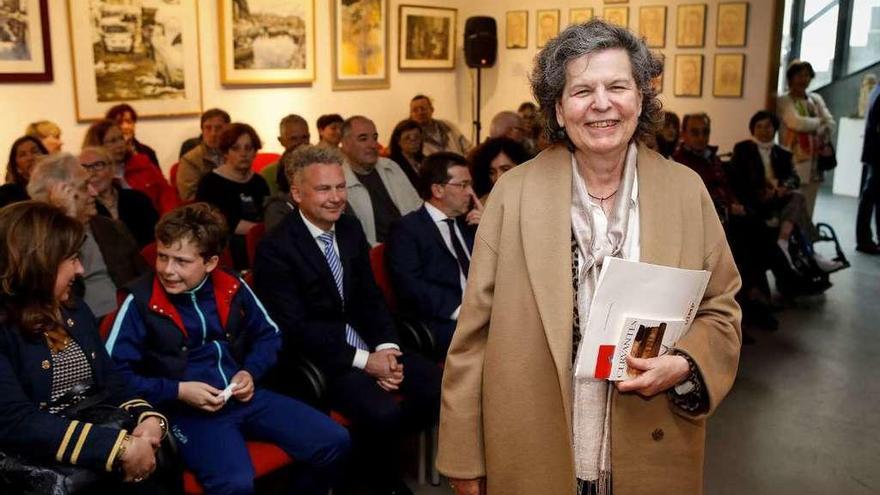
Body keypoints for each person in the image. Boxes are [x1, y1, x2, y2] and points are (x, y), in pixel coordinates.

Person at [437, 20, 741, 495]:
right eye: (582, 90)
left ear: (640, 100)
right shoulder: (513, 195)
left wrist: (684, 362)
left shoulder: (685, 191)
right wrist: (462, 455)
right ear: (558, 110)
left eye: (617, 86)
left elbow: (722, 308)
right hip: (532, 440)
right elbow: (473, 335)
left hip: (652, 440)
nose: (601, 103)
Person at [105, 203, 350, 495]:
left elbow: (269, 335)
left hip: (243, 396)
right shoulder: (139, 302)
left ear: (210, 263)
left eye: (181, 261)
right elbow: (113, 376)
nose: (167, 270)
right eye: (162, 257)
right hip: (183, 412)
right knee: (233, 483)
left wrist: (250, 371)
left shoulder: (231, 285)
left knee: (334, 440)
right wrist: (178, 391)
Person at [253, 145, 442, 495]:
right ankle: (379, 482)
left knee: (435, 384)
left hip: (366, 343)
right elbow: (295, 329)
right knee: (382, 412)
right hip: (320, 359)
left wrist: (387, 350)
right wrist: (366, 362)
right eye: (324, 189)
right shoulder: (275, 249)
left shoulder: (350, 229)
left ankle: (370, 463)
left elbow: (370, 299)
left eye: (340, 187)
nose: (337, 197)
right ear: (297, 194)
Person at [0, 201, 170, 493]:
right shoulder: (5, 327)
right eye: (71, 259)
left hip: (92, 447)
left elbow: (111, 381)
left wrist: (149, 418)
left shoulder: (71, 308)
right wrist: (117, 447)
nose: (80, 269)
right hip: (41, 467)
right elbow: (16, 421)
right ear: (39, 264)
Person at [27, 153, 148, 319]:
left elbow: (144, 279)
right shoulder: (36, 242)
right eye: (84, 186)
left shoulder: (111, 228)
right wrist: (65, 216)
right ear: (58, 195)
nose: (94, 192)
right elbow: (63, 297)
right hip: (80, 327)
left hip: (129, 319)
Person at [386, 152, 478, 356]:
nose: (471, 193)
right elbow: (411, 285)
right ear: (437, 189)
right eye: (462, 185)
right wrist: (462, 310)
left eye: (470, 184)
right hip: (441, 319)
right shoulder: (407, 229)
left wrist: (489, 229)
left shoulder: (469, 224)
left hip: (483, 311)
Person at [730, 110, 842, 273]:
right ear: (752, 129)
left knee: (796, 197)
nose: (763, 131)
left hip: (778, 199)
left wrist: (784, 187)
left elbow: (793, 178)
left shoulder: (783, 153)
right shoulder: (743, 149)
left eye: (768, 127)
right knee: (798, 202)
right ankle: (810, 253)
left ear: (774, 129)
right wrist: (762, 191)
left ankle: (787, 242)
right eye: (758, 126)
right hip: (755, 200)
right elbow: (738, 179)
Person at [195, 123, 269, 270]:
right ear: (225, 152)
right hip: (225, 249)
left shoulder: (259, 182)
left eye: (249, 148)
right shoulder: (210, 183)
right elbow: (218, 224)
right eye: (236, 148)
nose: (243, 154)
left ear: (255, 152)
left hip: (261, 243)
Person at [340, 116, 422, 246]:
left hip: (413, 243)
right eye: (363, 139)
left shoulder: (391, 166)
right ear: (345, 144)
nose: (373, 145)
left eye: (375, 138)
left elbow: (418, 208)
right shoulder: (339, 181)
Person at [82, 120, 180, 215]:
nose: (120, 145)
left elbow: (166, 192)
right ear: (97, 145)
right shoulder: (93, 175)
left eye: (121, 138)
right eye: (113, 141)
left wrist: (167, 218)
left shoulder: (142, 163)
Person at [777, 60, 835, 219]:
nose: (803, 79)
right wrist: (819, 123)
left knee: (809, 209)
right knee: (791, 210)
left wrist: (820, 125)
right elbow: (795, 122)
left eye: (807, 75)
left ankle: (806, 241)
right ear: (790, 78)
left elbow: (830, 123)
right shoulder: (784, 100)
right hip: (793, 162)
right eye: (799, 75)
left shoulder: (816, 99)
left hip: (815, 164)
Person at [80, 146, 159, 248]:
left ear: (113, 169)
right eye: (84, 168)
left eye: (98, 165)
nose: (91, 173)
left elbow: (157, 237)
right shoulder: (83, 209)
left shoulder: (138, 199)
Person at [178, 108, 231, 201]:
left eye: (218, 128)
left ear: (228, 130)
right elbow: (189, 197)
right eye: (208, 128)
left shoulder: (235, 153)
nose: (213, 133)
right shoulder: (190, 159)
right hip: (207, 210)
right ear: (202, 130)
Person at [468, 137, 530, 204]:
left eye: (505, 169)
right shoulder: (483, 204)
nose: (498, 177)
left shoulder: (535, 198)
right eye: (492, 172)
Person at [856, 80, 880, 254]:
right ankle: (864, 240)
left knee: (872, 196)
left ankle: (866, 239)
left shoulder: (876, 91)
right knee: (871, 196)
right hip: (878, 153)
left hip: (874, 153)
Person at [261, 114, 311, 195]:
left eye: (304, 137)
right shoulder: (269, 174)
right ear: (281, 141)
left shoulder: (323, 169)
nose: (301, 143)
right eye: (293, 139)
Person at [105, 103, 161, 169]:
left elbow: (157, 177)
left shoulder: (148, 152)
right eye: (119, 122)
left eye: (129, 121)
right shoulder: (103, 153)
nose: (125, 127)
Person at [0, 135, 47, 207]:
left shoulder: (59, 186)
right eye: (22, 155)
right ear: (17, 167)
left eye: (35, 151)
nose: (30, 158)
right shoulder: (7, 193)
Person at [387, 119, 424, 190]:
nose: (413, 141)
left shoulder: (425, 160)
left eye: (417, 137)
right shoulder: (391, 164)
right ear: (398, 141)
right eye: (407, 138)